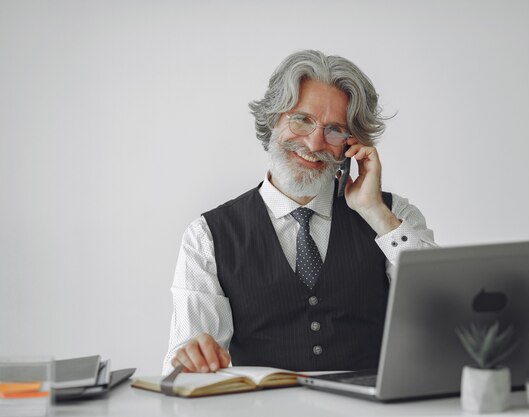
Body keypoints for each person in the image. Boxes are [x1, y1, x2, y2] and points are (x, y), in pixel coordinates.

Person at [163, 50, 436, 375]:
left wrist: (376, 213)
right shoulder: (208, 237)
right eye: (302, 119)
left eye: (335, 129)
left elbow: (441, 312)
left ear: (353, 144)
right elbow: (182, 370)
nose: (315, 142)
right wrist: (193, 360)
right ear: (273, 118)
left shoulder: (394, 216)